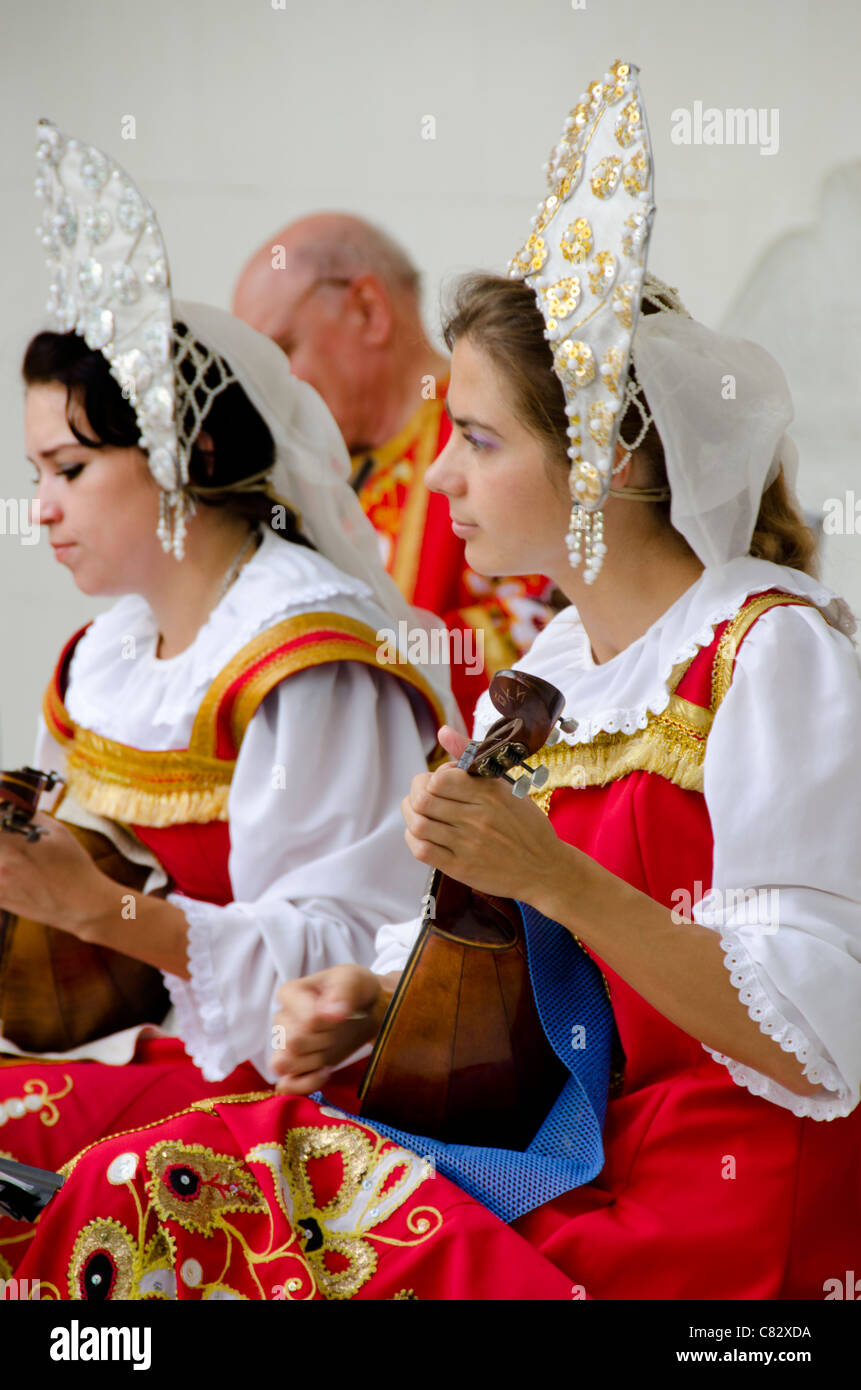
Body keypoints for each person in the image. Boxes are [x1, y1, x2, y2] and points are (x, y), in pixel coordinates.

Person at [15, 63, 861, 1302]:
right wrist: (370, 999)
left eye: (477, 440)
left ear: (607, 467)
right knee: (149, 1189)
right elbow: (522, 977)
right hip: (560, 1149)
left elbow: (818, 1033)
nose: (439, 483)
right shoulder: (560, 671)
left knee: (169, 1204)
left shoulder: (764, 652)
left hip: (711, 1201)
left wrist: (554, 877)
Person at [0, 125, 454, 1279]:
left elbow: (344, 971)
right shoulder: (114, 649)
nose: (41, 510)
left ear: (179, 455)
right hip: (192, 1059)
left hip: (330, 1104)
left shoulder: (307, 658)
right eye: (36, 475)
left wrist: (103, 915)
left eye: (69, 470)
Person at [233, 212, 560, 724]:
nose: (270, 394)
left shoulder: (506, 421)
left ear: (368, 309)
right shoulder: (303, 472)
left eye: (283, 351)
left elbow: (549, 619)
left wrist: (337, 659)